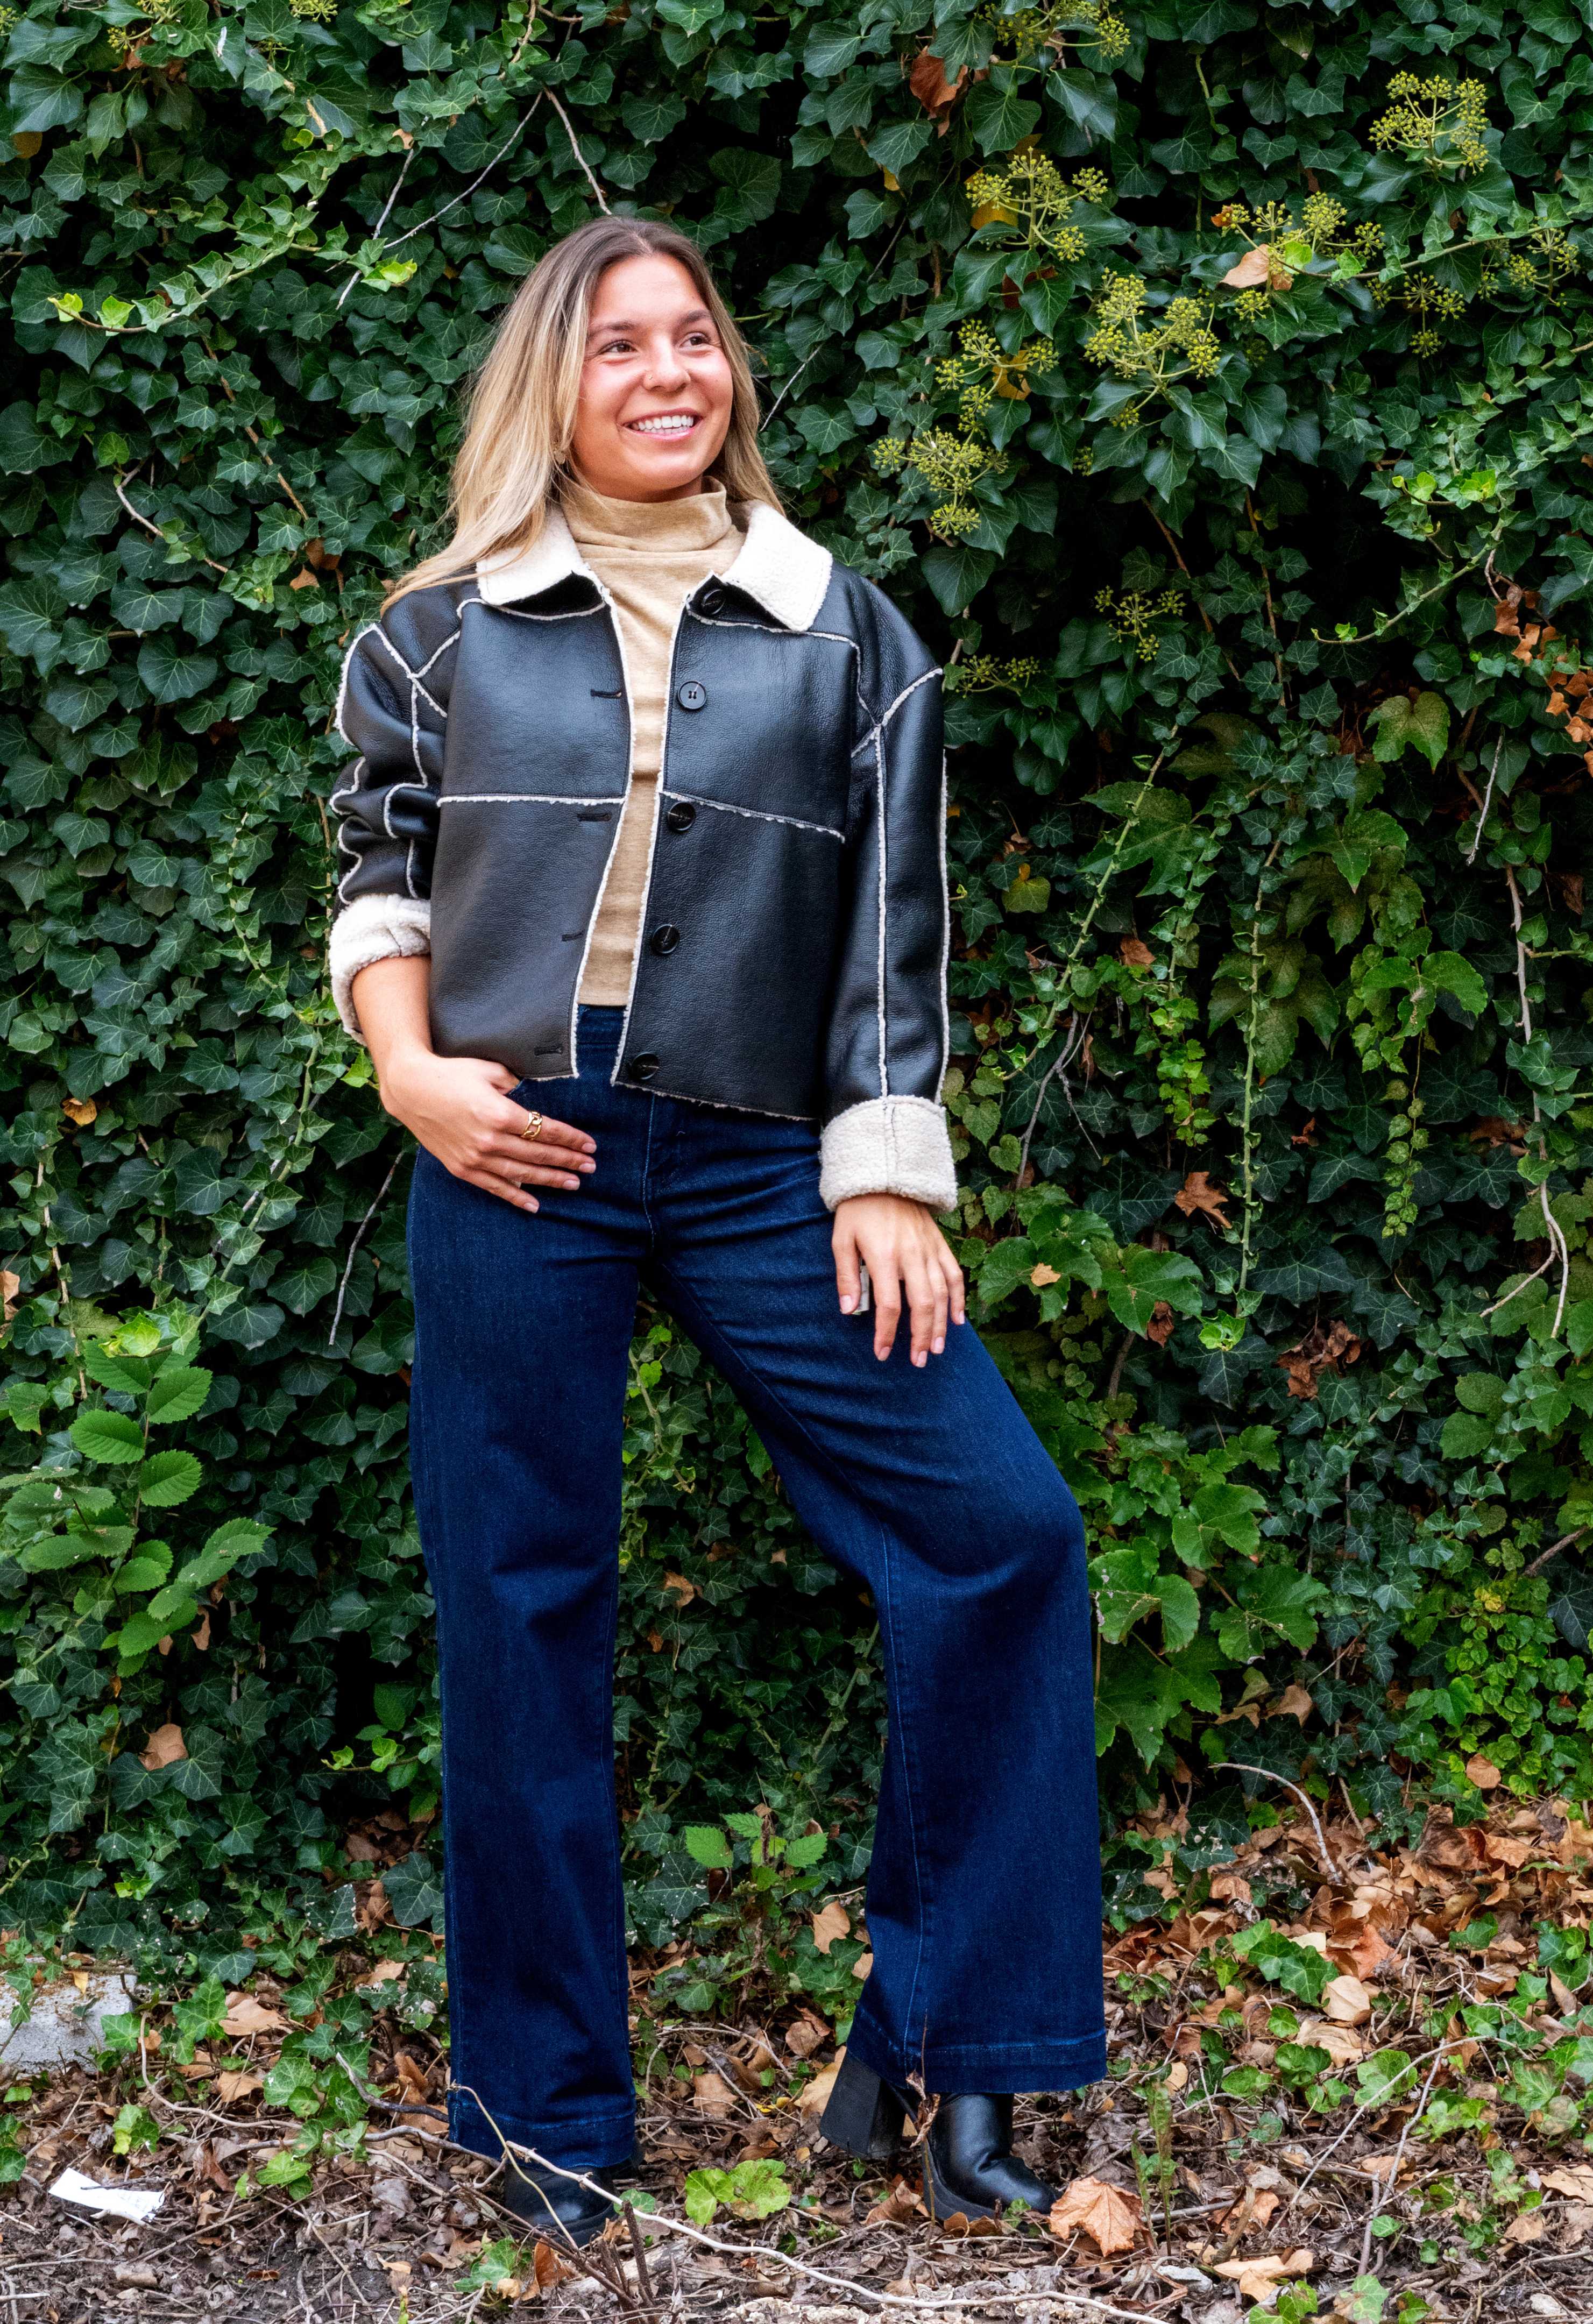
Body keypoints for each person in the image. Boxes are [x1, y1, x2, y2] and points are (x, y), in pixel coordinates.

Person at [327, 214, 1104, 2243]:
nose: (668, 373)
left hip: (770, 1161)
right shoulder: (438, 633)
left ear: (731, 369)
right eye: (619, 346)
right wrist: (411, 1077)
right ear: (554, 385)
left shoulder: (850, 634)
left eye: (694, 338)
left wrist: (886, 1169)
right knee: (519, 1610)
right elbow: (379, 882)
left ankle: (954, 2058)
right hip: (513, 1145)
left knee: (1001, 1531)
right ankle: (547, 2115)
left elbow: (891, 935)